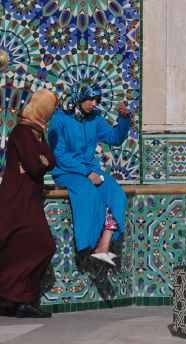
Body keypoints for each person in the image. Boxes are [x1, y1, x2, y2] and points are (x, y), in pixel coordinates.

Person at [0, 89, 59, 319]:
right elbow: (37, 165)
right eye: (50, 107)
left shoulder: (38, 133)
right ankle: (12, 299)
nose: (52, 111)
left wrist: (42, 161)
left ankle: (19, 300)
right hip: (15, 199)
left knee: (39, 246)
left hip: (28, 199)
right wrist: (41, 162)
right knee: (13, 246)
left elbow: (49, 161)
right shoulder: (22, 132)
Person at [48, 80, 131, 268]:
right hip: (67, 171)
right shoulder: (60, 119)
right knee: (88, 192)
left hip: (91, 169)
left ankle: (104, 246)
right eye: (90, 98)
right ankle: (86, 247)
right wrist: (86, 173)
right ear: (79, 96)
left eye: (96, 99)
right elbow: (59, 154)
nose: (94, 103)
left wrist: (124, 120)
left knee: (115, 192)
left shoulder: (95, 118)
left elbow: (114, 138)